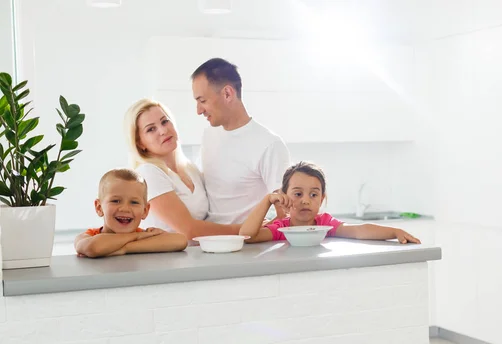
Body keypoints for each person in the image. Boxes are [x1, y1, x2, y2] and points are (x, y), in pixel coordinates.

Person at [191, 58, 291, 224]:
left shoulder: (269, 145)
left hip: (248, 245)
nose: (199, 110)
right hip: (208, 242)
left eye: (203, 101)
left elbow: (285, 213)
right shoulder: (208, 135)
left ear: (228, 94)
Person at [124, 98, 241, 240]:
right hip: (166, 260)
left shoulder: (191, 170)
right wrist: (245, 229)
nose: (163, 130)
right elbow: (190, 230)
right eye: (151, 129)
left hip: (198, 256)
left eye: (164, 121)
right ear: (140, 143)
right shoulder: (148, 173)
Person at [240, 161, 421, 244]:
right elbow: (247, 236)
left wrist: (394, 231)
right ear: (284, 196)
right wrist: (267, 201)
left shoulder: (325, 224)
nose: (305, 200)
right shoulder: (281, 228)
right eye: (297, 194)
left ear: (322, 199)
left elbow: (358, 231)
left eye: (313, 195)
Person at [74, 169, 188, 258]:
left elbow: (181, 240)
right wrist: (137, 236)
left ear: (145, 211)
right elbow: (94, 247)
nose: (125, 208)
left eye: (134, 202)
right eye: (115, 201)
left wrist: (124, 249)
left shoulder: (144, 235)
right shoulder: (88, 236)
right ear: (99, 208)